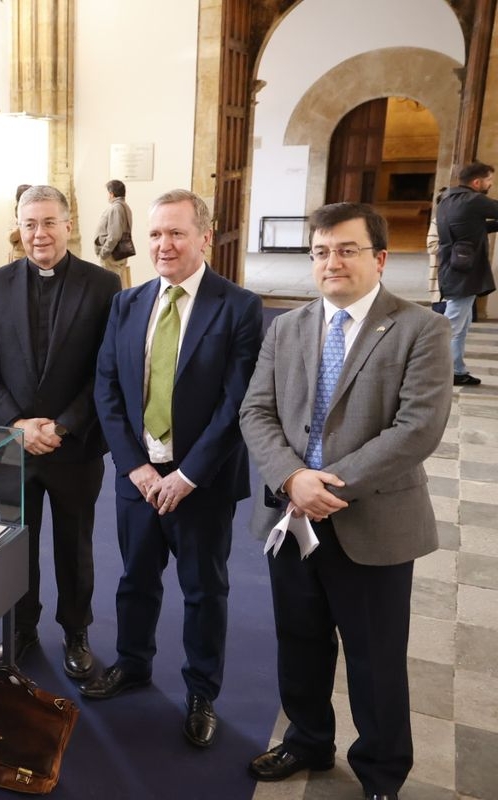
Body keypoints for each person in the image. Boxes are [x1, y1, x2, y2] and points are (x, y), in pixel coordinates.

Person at [239, 202, 452, 799]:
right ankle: (308, 740)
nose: (331, 262)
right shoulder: (286, 326)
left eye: (346, 249)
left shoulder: (420, 328)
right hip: (291, 516)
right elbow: (255, 411)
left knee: (375, 658)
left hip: (373, 520)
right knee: (299, 641)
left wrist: (324, 484)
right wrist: (291, 478)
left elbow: (416, 430)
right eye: (320, 251)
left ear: (380, 258)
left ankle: (382, 771)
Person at [88, 190, 263, 750]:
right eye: (157, 234)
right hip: (138, 480)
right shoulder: (128, 302)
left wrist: (185, 477)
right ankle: (133, 663)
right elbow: (107, 389)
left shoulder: (238, 307)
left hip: (200, 485)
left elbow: (236, 404)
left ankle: (200, 691)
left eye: (177, 233)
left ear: (204, 237)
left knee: (202, 590)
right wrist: (134, 467)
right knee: (135, 579)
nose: (163, 245)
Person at [0, 184, 121, 679]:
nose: (39, 234)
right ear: (19, 226)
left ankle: (76, 632)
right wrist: (16, 424)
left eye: (49, 222)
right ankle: (21, 629)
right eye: (30, 224)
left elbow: (105, 368)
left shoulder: (102, 285)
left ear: (68, 225)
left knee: (76, 546)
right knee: (16, 545)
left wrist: (64, 425)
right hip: (12, 446)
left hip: (73, 444)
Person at [435, 161, 498, 386]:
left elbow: (470, 228)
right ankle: (435, 371)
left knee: (461, 324)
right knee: (451, 326)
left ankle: (457, 370)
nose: (491, 184)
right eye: (489, 180)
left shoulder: (447, 199)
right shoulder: (474, 200)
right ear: (477, 182)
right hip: (463, 270)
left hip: (453, 267)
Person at [94, 179, 134, 289]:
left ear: (111, 194)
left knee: (108, 287)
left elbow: (115, 235)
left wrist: (104, 252)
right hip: (117, 254)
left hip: (111, 256)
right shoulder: (124, 207)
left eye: (108, 193)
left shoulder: (116, 208)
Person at [8, 184, 33, 261]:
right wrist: (23, 226)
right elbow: (11, 237)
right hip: (20, 252)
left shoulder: (35, 209)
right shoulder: (17, 210)